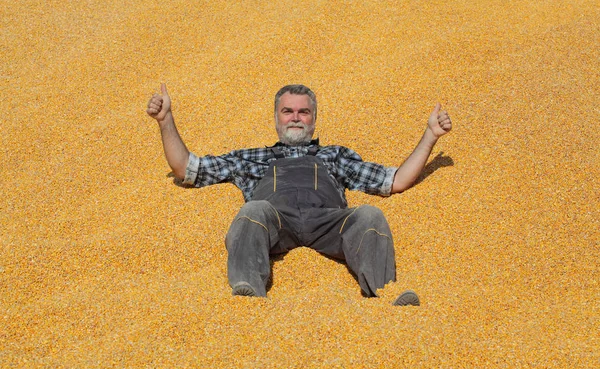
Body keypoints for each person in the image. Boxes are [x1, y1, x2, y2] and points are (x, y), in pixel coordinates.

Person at [146, 84, 452, 306]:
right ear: (276, 118)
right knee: (252, 211)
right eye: (288, 111)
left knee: (370, 214)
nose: (295, 117)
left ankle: (385, 293)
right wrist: (166, 121)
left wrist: (430, 137)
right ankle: (246, 293)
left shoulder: (335, 155)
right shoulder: (251, 156)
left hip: (328, 222)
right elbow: (188, 168)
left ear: (314, 119)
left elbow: (395, 180)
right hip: (275, 222)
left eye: (303, 112)